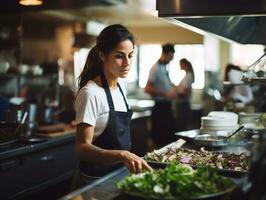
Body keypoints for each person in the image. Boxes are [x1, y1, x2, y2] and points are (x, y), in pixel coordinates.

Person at [71, 24, 152, 190]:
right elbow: (82, 148)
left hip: (116, 177)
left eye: (130, 55)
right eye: (119, 56)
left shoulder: (120, 89)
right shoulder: (91, 93)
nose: (127, 63)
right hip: (92, 182)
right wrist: (122, 155)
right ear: (102, 55)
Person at [145, 43, 177, 148]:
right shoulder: (155, 68)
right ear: (165, 54)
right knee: (160, 139)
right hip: (160, 107)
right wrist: (165, 93)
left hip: (167, 106)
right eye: (171, 57)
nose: (171, 60)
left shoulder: (164, 67)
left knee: (169, 137)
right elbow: (147, 88)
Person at [175, 58, 195, 132]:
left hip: (183, 105)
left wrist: (175, 94)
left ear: (184, 64)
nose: (179, 66)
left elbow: (185, 93)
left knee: (182, 127)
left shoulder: (188, 76)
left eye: (180, 64)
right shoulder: (187, 75)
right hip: (183, 104)